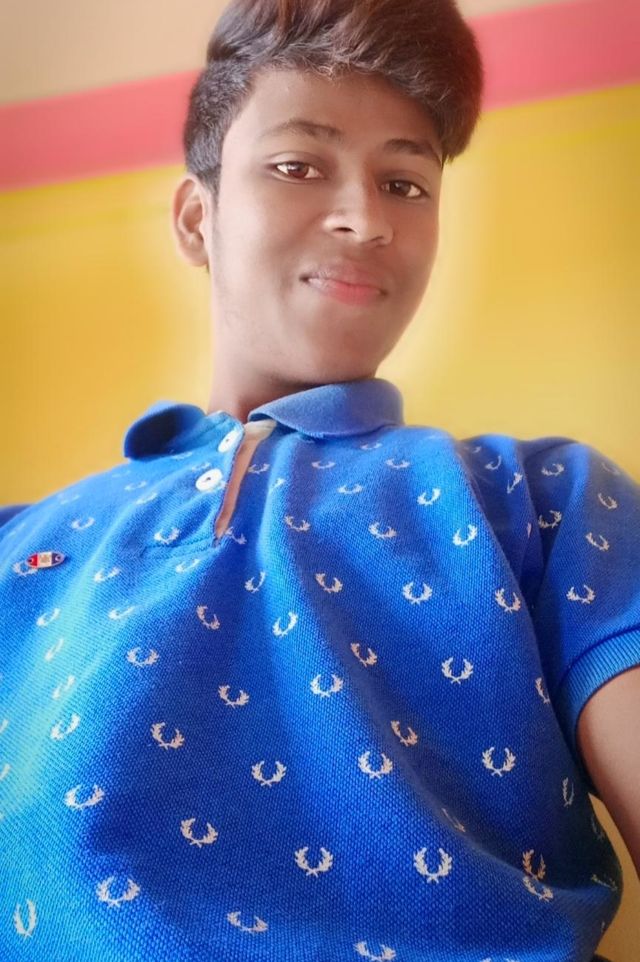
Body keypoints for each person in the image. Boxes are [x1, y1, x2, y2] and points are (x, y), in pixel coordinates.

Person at [1, 1, 638, 960]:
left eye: (404, 183)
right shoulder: (15, 540)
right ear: (197, 219)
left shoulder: (548, 496)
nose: (364, 219)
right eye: (299, 166)